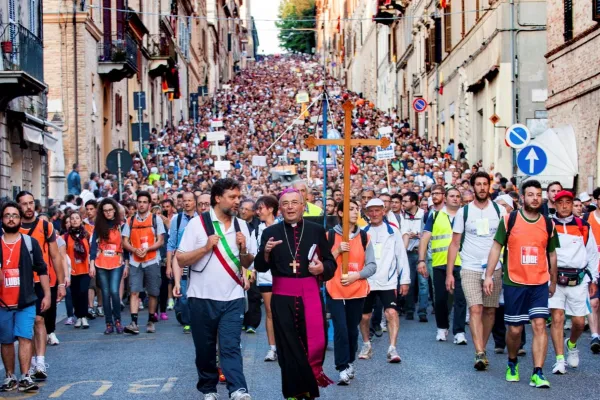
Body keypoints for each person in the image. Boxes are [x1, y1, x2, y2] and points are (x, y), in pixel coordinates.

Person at [254, 188, 337, 400]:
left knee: (313, 342)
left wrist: (322, 269)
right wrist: (265, 252)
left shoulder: (317, 230)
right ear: (279, 208)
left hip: (310, 294)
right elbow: (260, 267)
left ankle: (308, 390)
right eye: (285, 204)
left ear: (302, 206)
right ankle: (294, 392)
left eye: (294, 203)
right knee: (288, 345)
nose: (290, 207)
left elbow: (330, 262)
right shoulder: (269, 232)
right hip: (282, 297)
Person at [176, 178, 254, 400]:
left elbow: (247, 263)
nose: (237, 201)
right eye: (232, 197)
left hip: (233, 297)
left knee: (231, 345)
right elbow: (181, 259)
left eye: (239, 197)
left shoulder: (242, 226)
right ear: (218, 198)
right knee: (205, 349)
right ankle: (209, 388)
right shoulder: (197, 224)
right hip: (202, 298)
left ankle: (238, 388)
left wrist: (244, 248)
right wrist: (205, 248)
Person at [484, 180, 559, 388]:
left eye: (538, 195)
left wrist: (553, 280)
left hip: (539, 282)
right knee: (515, 330)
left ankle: (538, 372)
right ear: (522, 198)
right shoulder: (510, 220)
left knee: (539, 325)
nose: (535, 198)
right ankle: (512, 362)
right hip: (515, 281)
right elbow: (496, 248)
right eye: (530, 195)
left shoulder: (547, 223)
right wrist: (489, 275)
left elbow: (552, 254)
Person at [446, 171, 505, 370]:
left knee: (489, 310)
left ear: (489, 186)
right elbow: (454, 244)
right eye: (478, 184)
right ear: (472, 187)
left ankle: (482, 348)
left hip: (494, 267)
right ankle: (479, 351)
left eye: (484, 184)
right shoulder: (464, 212)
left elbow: (508, 241)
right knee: (475, 308)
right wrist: (449, 273)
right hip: (469, 266)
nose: (481, 187)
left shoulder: (499, 211)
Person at [0, 201, 50, 393]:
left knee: (24, 337)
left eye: (14, 215)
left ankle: (25, 376)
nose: (11, 218)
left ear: (20, 220)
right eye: (7, 215)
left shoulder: (30, 243)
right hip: (3, 302)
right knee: (5, 341)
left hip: (26, 300)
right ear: (2, 219)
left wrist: (46, 294)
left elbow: (42, 269)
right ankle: (10, 377)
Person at [16, 191, 65, 382]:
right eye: (24, 204)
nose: (28, 207)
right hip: (19, 282)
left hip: (42, 280)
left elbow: (55, 256)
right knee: (25, 326)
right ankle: (28, 363)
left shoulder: (46, 226)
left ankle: (40, 362)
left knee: (39, 320)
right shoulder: (12, 227)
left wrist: (61, 283)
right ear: (18, 206)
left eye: (31, 203)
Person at [326, 199, 377, 384]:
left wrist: (356, 276)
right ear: (340, 213)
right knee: (340, 328)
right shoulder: (329, 236)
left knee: (351, 329)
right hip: (335, 289)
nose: (355, 212)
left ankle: (350, 361)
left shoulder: (365, 237)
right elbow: (324, 263)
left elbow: (372, 266)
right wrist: (337, 250)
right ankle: (342, 367)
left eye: (356, 209)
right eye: (350, 209)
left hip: (357, 290)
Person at [548, 190, 598, 374]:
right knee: (557, 318)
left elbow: (592, 253)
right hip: (555, 279)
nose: (564, 205)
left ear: (573, 204)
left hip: (578, 280)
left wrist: (594, 278)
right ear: (555, 204)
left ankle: (572, 344)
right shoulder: (548, 224)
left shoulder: (583, 226)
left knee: (578, 322)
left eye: (568, 202)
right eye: (560, 202)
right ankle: (560, 359)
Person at [358, 199, 410, 363]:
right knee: (365, 316)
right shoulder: (362, 232)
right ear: (366, 213)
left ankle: (392, 349)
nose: (374, 214)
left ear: (383, 211)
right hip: (367, 281)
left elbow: (401, 256)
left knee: (391, 313)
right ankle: (366, 345)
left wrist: (405, 280)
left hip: (388, 281)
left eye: (377, 210)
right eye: (370, 211)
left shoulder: (393, 231)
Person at [418, 187, 467, 344]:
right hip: (440, 262)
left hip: (462, 262)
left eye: (457, 196)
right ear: (445, 198)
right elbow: (425, 238)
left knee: (460, 298)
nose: (455, 199)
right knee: (440, 299)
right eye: (451, 196)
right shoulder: (435, 215)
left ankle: (459, 332)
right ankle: (442, 327)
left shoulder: (465, 215)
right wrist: (421, 260)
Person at [122, 191, 166, 334]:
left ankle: (150, 320)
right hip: (135, 261)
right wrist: (135, 250)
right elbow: (124, 241)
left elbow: (160, 240)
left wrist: (147, 249)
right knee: (134, 291)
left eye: (144, 202)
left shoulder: (156, 219)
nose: (141, 204)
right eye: (139, 202)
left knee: (153, 292)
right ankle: (133, 323)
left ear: (149, 204)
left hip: (152, 260)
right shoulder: (130, 220)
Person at [89, 198, 127, 334]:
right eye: (105, 211)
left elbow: (126, 246)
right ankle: (109, 323)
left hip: (117, 260)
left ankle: (118, 321)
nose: (108, 213)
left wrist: (126, 264)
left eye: (110, 210)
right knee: (105, 293)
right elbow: (93, 246)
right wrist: (92, 264)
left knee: (114, 291)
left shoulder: (122, 225)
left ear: (115, 210)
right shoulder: (98, 226)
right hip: (101, 261)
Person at [250, 195, 279, 361]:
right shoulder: (256, 230)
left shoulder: (283, 226)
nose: (258, 212)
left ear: (270, 209)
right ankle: (272, 348)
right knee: (269, 312)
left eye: (260, 208)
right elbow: (254, 253)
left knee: (284, 312)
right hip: (265, 276)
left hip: (283, 275)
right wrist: (252, 271)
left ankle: (286, 346)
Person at [167, 192, 198, 334]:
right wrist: (169, 265)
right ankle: (187, 321)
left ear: (194, 202)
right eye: (184, 201)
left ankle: (197, 320)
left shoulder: (201, 219)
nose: (187, 203)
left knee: (197, 293)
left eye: (190, 200)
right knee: (183, 293)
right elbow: (171, 243)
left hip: (198, 260)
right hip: (181, 261)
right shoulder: (177, 219)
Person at [400, 191, 429, 321]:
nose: (403, 204)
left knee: (423, 283)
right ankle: (409, 310)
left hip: (421, 252)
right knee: (409, 282)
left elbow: (428, 232)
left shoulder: (425, 215)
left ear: (413, 202)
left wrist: (418, 235)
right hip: (408, 253)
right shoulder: (401, 215)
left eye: (405, 201)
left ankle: (422, 312)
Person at [63, 213, 91, 329]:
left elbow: (92, 251)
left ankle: (84, 316)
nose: (74, 220)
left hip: (85, 268)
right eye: (72, 219)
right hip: (72, 270)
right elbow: (63, 254)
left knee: (84, 291)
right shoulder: (65, 237)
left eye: (77, 218)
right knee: (75, 294)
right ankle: (78, 316)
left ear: (81, 220)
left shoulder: (87, 234)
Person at [585, 187, 600, 353]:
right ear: (596, 200)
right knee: (594, 303)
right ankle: (595, 335)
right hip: (592, 268)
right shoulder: (587, 219)